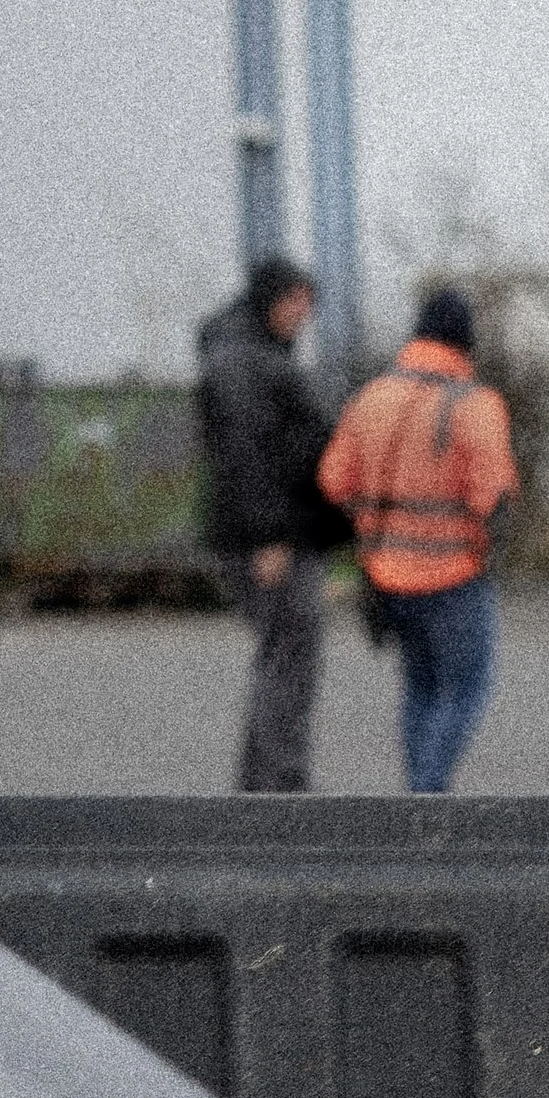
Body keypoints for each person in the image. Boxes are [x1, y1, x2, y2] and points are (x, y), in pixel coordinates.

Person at [318, 285, 518, 795]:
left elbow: (333, 480)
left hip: (385, 575)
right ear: (465, 340)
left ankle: (416, 799)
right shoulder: (475, 404)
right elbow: (493, 496)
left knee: (421, 688)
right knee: (467, 689)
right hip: (454, 576)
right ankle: (428, 796)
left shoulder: (372, 396)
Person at [197, 255, 339, 795]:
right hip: (273, 540)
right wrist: (269, 537)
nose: (305, 313)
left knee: (283, 658)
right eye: (296, 301)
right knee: (289, 660)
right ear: (271, 299)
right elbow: (245, 457)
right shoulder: (243, 362)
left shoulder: (252, 354)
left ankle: (265, 786)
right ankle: (280, 789)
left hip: (283, 534)